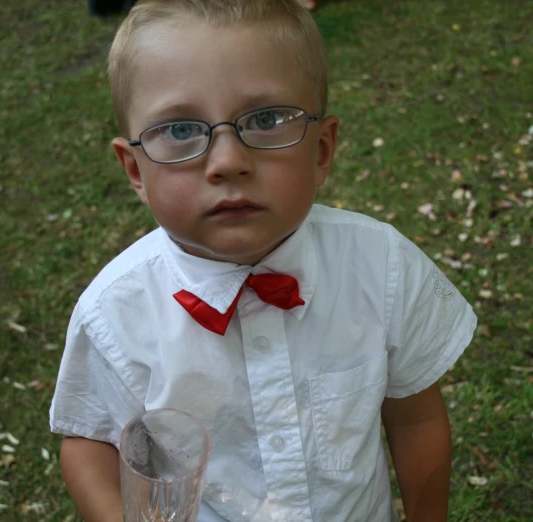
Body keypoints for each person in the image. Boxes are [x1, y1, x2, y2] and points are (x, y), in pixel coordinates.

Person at [49, 1, 477, 521]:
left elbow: (414, 419)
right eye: (181, 130)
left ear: (321, 150)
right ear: (135, 171)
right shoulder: (113, 313)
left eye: (268, 119)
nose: (228, 161)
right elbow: (90, 442)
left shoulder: (382, 268)